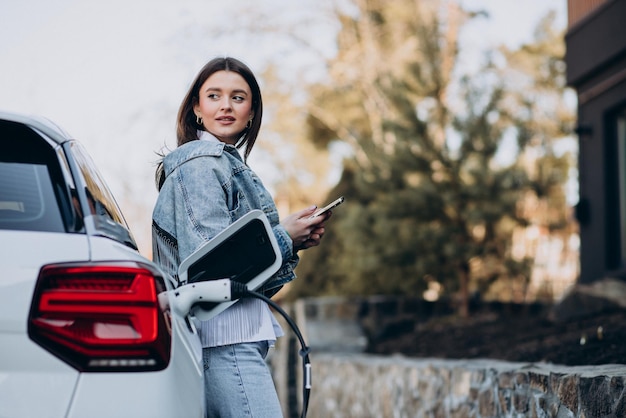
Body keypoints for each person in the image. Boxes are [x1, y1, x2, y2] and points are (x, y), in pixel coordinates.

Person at [151, 56, 329, 417]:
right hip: (225, 340)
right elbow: (212, 268)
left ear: (252, 112)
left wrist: (288, 242)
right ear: (197, 110)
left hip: (232, 339)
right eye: (214, 96)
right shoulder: (201, 164)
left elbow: (240, 275)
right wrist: (283, 238)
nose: (226, 106)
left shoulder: (223, 163)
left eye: (238, 97)